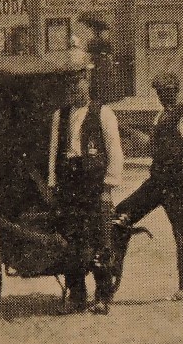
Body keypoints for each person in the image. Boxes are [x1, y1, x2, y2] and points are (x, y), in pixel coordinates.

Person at [114, 71, 183, 300]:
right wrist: (128, 131)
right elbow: (152, 146)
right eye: (160, 92)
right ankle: (111, 274)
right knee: (121, 212)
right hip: (156, 181)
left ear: (176, 91)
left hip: (178, 184)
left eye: (167, 91)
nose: (163, 96)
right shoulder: (160, 116)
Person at [48, 64, 125, 314]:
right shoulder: (60, 115)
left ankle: (103, 296)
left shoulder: (103, 113)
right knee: (71, 242)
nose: (74, 88)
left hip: (94, 186)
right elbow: (53, 153)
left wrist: (108, 187)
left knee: (100, 240)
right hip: (69, 185)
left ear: (87, 83)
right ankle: (77, 295)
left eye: (78, 82)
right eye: (69, 84)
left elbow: (115, 152)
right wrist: (53, 182)